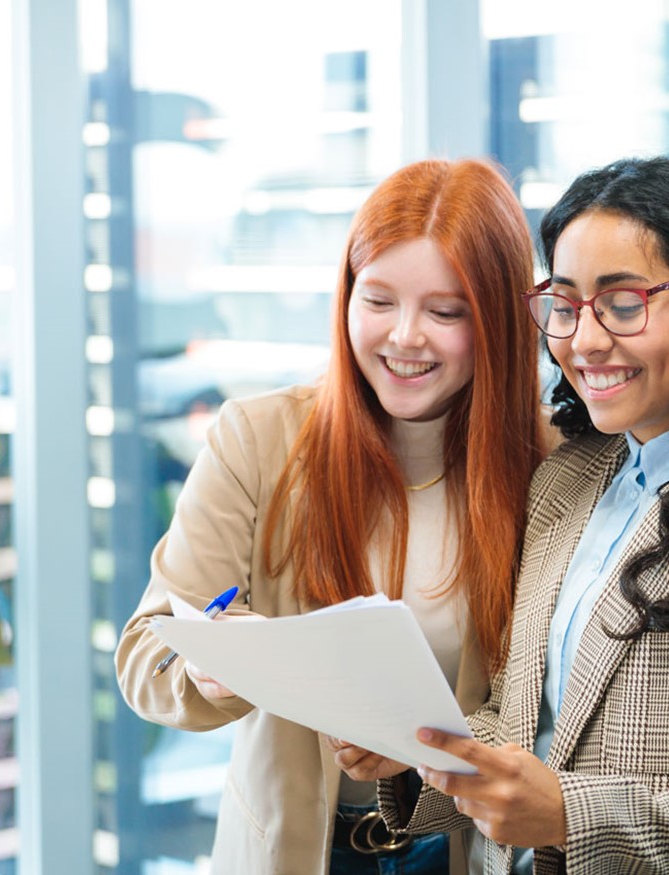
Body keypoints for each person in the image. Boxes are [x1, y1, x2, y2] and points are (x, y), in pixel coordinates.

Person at [114, 157, 545, 875]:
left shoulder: (552, 466)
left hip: (464, 849)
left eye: (445, 311)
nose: (405, 337)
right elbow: (143, 657)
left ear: (498, 317)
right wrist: (211, 668)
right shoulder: (258, 440)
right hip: (293, 851)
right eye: (377, 300)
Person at [331, 155, 669, 874]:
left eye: (624, 302)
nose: (584, 340)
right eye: (567, 304)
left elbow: (557, 791)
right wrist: (418, 753)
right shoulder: (568, 480)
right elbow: (521, 723)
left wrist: (571, 815)